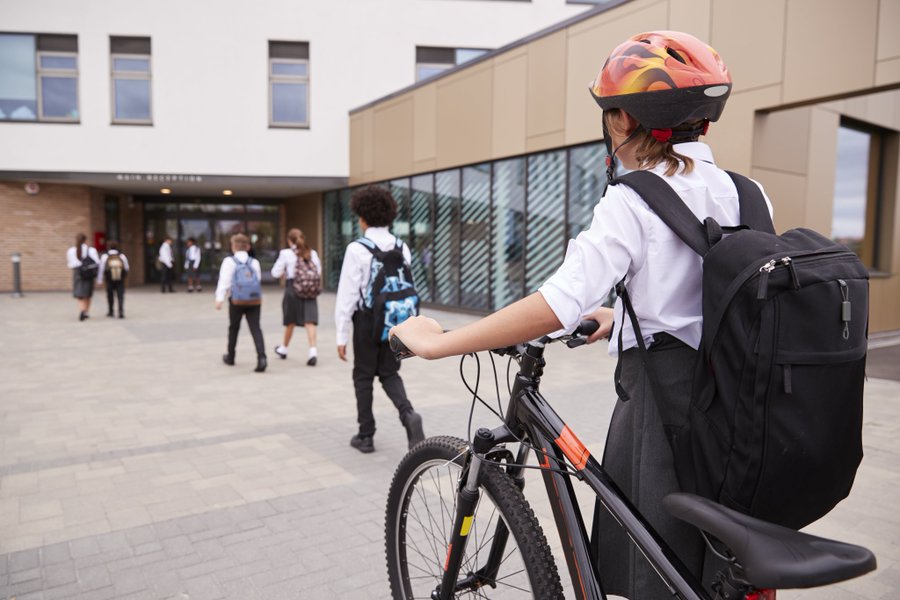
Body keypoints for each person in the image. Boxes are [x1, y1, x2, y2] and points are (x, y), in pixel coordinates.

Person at [390, 31, 772, 599]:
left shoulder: (633, 198)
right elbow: (721, 294)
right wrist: (620, 318)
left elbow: (554, 305)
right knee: (708, 565)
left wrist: (437, 343)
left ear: (621, 121)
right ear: (704, 124)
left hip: (663, 414)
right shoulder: (749, 194)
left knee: (655, 566)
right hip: (740, 411)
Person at [335, 186, 425, 454]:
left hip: (366, 322)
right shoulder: (402, 246)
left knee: (363, 377)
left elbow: (347, 296)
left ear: (362, 217)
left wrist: (341, 335)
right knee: (389, 373)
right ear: (389, 215)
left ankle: (366, 435)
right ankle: (409, 415)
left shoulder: (357, 249)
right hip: (394, 323)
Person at [216, 233, 267, 372]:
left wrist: (219, 298)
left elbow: (224, 281)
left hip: (237, 301)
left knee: (234, 328)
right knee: (256, 328)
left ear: (233, 246)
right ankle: (262, 357)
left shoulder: (229, 261)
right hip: (254, 300)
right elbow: (258, 281)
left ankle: (231, 356)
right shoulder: (254, 262)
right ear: (248, 247)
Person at [272, 228, 321, 366]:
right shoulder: (312, 253)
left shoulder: (286, 253)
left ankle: (284, 348)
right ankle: (312, 351)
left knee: (290, 321)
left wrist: (285, 272)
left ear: (289, 240)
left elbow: (275, 273)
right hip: (310, 290)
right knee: (310, 321)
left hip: (293, 289)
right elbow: (319, 271)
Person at [66, 233, 100, 321]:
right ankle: (86, 312)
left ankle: (82, 310)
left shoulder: (71, 250)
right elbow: (96, 262)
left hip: (77, 272)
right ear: (86, 240)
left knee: (80, 294)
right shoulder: (91, 250)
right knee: (88, 294)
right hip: (88, 273)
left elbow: (70, 264)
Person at [97, 240, 130, 318]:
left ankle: (111, 311)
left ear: (108, 246)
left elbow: (101, 268)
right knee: (120, 295)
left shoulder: (105, 256)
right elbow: (126, 267)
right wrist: (124, 275)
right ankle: (121, 311)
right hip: (120, 279)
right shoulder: (122, 256)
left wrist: (100, 280)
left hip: (109, 279)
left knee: (110, 295)